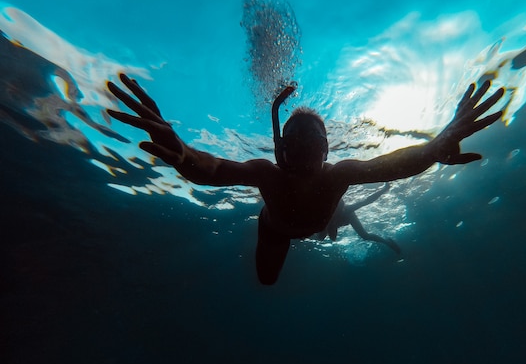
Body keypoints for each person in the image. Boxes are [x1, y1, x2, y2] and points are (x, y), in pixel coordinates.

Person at [107, 74, 504, 285]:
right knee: (265, 281)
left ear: (327, 149)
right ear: (281, 148)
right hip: (275, 231)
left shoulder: (341, 175)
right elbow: (213, 170)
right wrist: (183, 155)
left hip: (307, 224)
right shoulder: (267, 173)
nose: (304, 145)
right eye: (294, 136)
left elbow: (396, 164)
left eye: (314, 136)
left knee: (268, 279)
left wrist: (435, 148)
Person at [313, 183, 401, 254]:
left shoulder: (347, 210)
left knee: (365, 236)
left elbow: (367, 201)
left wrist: (383, 190)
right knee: (320, 237)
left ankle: (388, 242)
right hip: (332, 220)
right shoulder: (325, 216)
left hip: (349, 217)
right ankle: (388, 242)